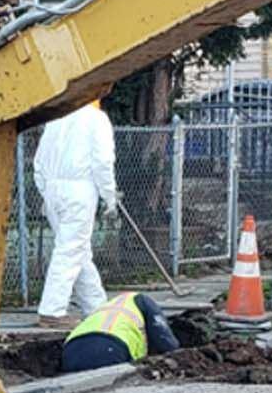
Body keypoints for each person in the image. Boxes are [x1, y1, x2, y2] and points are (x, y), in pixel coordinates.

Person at [33, 100, 117, 329]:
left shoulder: (56, 119)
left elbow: (38, 162)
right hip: (79, 190)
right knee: (70, 251)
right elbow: (103, 161)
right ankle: (52, 310)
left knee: (79, 250)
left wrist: (45, 191)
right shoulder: (97, 120)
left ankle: (96, 307)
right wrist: (109, 195)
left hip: (52, 190)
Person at [61, 292, 180, 373]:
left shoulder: (111, 307)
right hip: (108, 349)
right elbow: (167, 343)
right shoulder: (144, 301)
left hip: (69, 351)